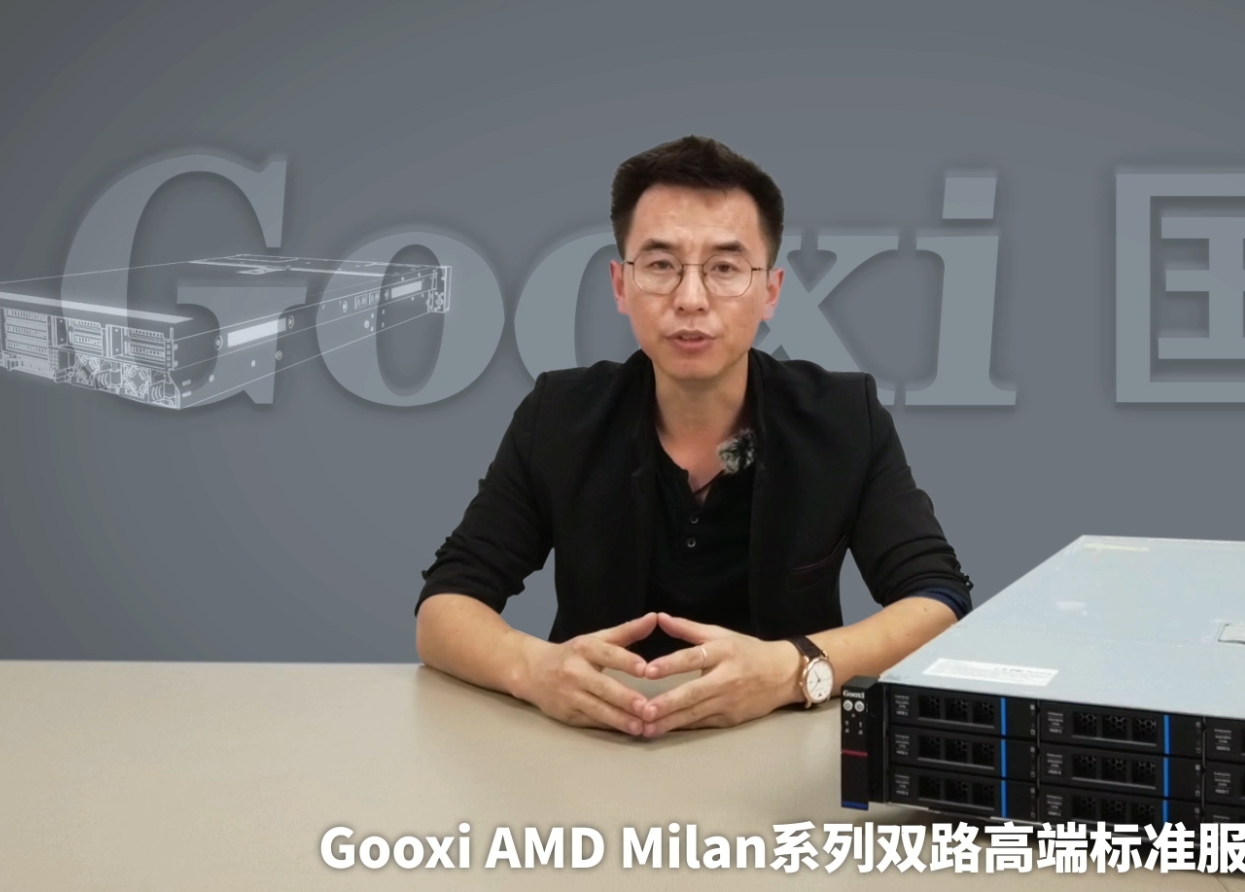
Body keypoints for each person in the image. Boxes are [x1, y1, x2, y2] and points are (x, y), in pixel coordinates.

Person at [414, 135, 972, 738]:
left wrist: (795, 668)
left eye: (725, 268)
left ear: (771, 291)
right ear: (621, 285)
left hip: (783, 745)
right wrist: (534, 669)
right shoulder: (559, 416)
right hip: (590, 746)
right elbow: (445, 606)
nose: (691, 299)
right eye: (661, 266)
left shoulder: (843, 418)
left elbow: (939, 601)